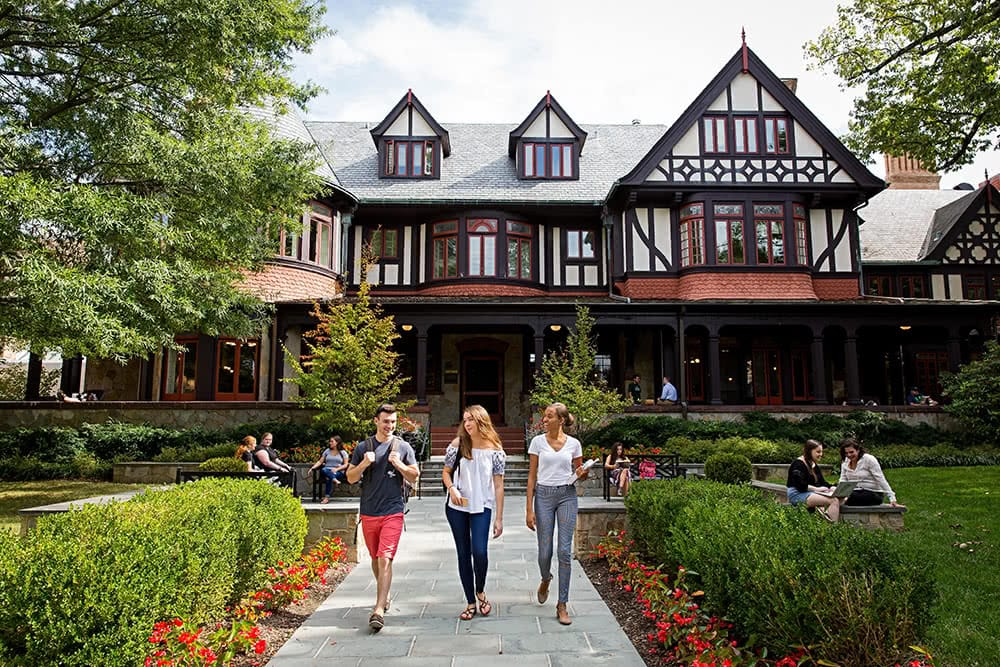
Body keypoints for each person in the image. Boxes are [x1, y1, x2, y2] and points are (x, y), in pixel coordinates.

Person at [346, 404, 419, 632]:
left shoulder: (403, 447)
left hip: (393, 510)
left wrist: (398, 464)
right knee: (375, 558)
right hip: (369, 511)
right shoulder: (362, 447)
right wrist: (365, 463)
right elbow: (350, 477)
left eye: (394, 422)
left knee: (385, 557)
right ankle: (384, 595)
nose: (390, 426)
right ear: (376, 421)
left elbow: (415, 475)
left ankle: (378, 609)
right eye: (386, 421)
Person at [526, 402, 588, 626]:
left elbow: (580, 474)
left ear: (561, 420)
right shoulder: (537, 442)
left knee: (563, 551)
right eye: (544, 416)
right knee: (545, 552)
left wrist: (582, 473)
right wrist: (528, 509)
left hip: (567, 496)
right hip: (543, 496)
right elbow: (531, 477)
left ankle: (562, 604)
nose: (544, 420)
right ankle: (545, 578)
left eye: (549, 416)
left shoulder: (574, 444)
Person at [441, 405, 506, 621]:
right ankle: (470, 601)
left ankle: (481, 590)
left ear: (481, 421)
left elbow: (498, 485)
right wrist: (452, 489)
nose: (467, 424)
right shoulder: (459, 444)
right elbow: (446, 473)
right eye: (465, 420)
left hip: (482, 506)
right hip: (457, 506)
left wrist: (499, 518)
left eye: (471, 420)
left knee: (480, 552)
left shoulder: (495, 447)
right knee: (463, 553)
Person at [786, 439, 842, 522]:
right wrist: (816, 489)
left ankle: (825, 518)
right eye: (818, 452)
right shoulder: (798, 464)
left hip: (809, 493)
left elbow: (822, 482)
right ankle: (832, 527)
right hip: (797, 494)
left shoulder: (813, 464)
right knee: (833, 500)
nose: (821, 454)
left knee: (842, 498)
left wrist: (831, 487)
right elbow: (799, 485)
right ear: (809, 451)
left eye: (821, 452)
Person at [839, 438, 903, 507]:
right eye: (846, 453)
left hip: (872, 493)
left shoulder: (869, 459)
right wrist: (839, 492)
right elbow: (843, 479)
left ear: (858, 450)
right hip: (854, 491)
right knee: (836, 492)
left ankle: (843, 501)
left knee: (854, 497)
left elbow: (881, 479)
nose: (849, 455)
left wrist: (892, 498)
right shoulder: (845, 462)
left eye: (851, 452)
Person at [310, 435, 350, 503]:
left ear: (337, 442)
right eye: (330, 441)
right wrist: (312, 468)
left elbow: (346, 464)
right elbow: (320, 461)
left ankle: (326, 498)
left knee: (328, 477)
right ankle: (333, 479)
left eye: (332, 441)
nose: (330, 443)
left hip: (338, 472)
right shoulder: (327, 451)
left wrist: (337, 469)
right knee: (324, 470)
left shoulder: (343, 452)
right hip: (327, 470)